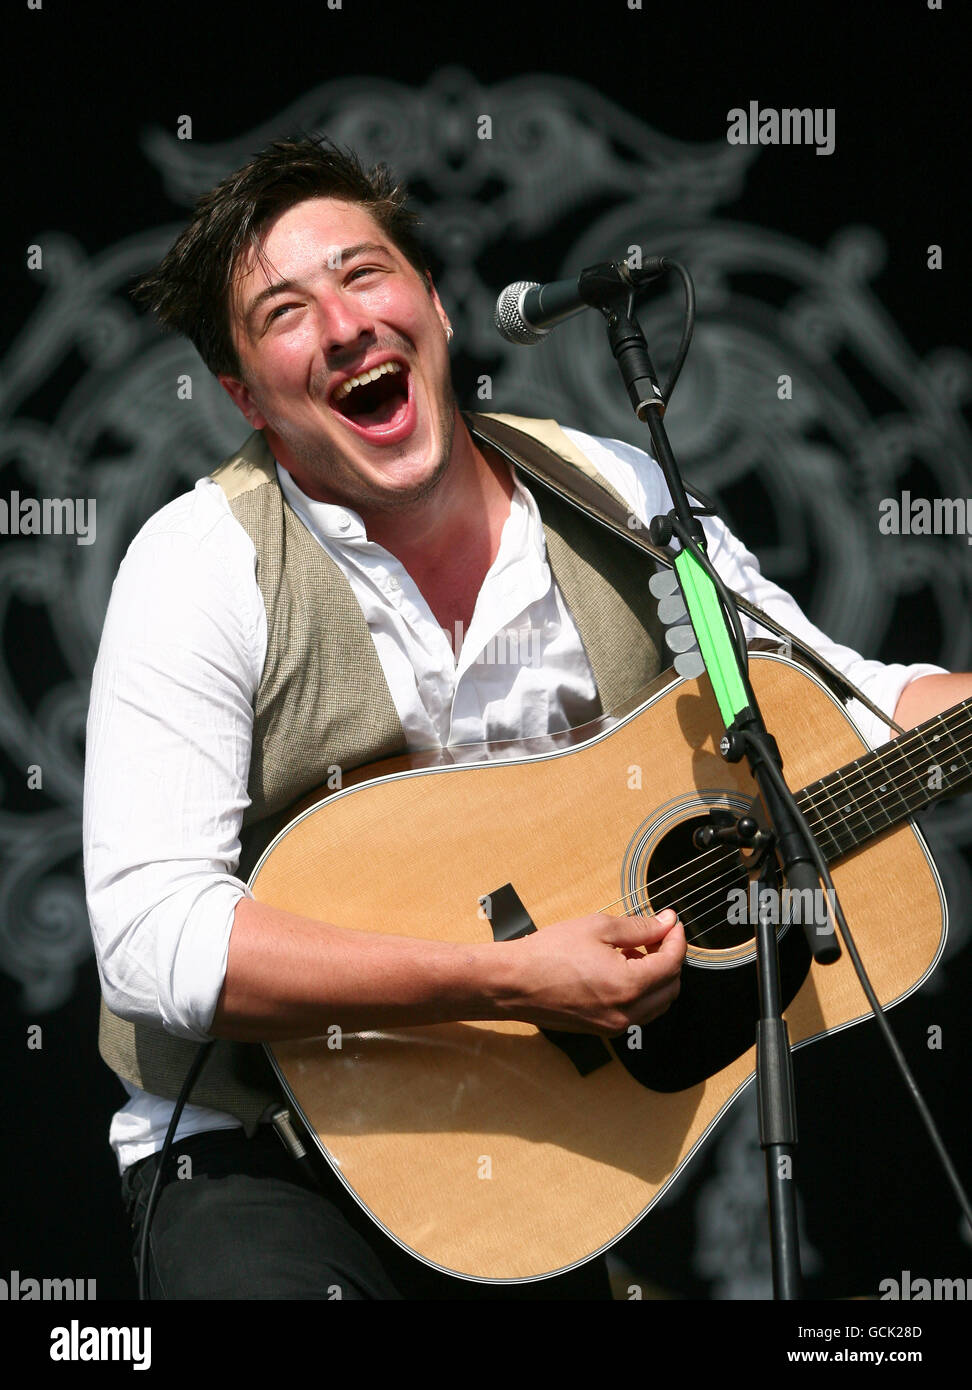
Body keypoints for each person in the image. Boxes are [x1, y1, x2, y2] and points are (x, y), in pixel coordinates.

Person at [83, 136, 971, 1300]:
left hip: (545, 1179)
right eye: (287, 311)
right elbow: (154, 939)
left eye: (363, 273)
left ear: (436, 309)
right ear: (247, 395)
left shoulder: (616, 496)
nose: (345, 326)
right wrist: (504, 978)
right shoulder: (199, 564)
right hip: (262, 1166)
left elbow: (839, 697)